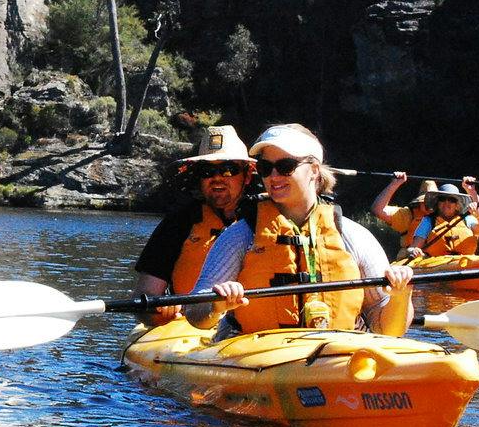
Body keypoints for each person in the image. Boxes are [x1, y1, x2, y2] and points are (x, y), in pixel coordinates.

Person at [187, 123, 413, 337]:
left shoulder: (353, 237)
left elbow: (387, 329)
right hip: (258, 352)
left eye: (286, 167)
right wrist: (216, 305)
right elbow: (195, 313)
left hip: (336, 352)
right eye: (266, 168)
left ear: (314, 170)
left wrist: (401, 294)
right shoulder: (241, 236)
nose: (274, 176)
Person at [132, 125, 254, 325]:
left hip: (250, 331)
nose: (217, 178)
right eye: (207, 171)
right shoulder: (178, 223)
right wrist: (159, 310)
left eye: (228, 169)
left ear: (247, 176)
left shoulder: (264, 219)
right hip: (189, 328)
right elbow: (145, 295)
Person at [373, 172, 479, 260]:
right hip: (436, 263)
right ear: (437, 202)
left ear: (457, 205)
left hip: (464, 262)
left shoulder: (467, 219)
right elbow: (413, 247)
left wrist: (472, 193)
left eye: (451, 200)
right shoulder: (425, 220)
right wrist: (414, 251)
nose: (447, 203)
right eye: (442, 199)